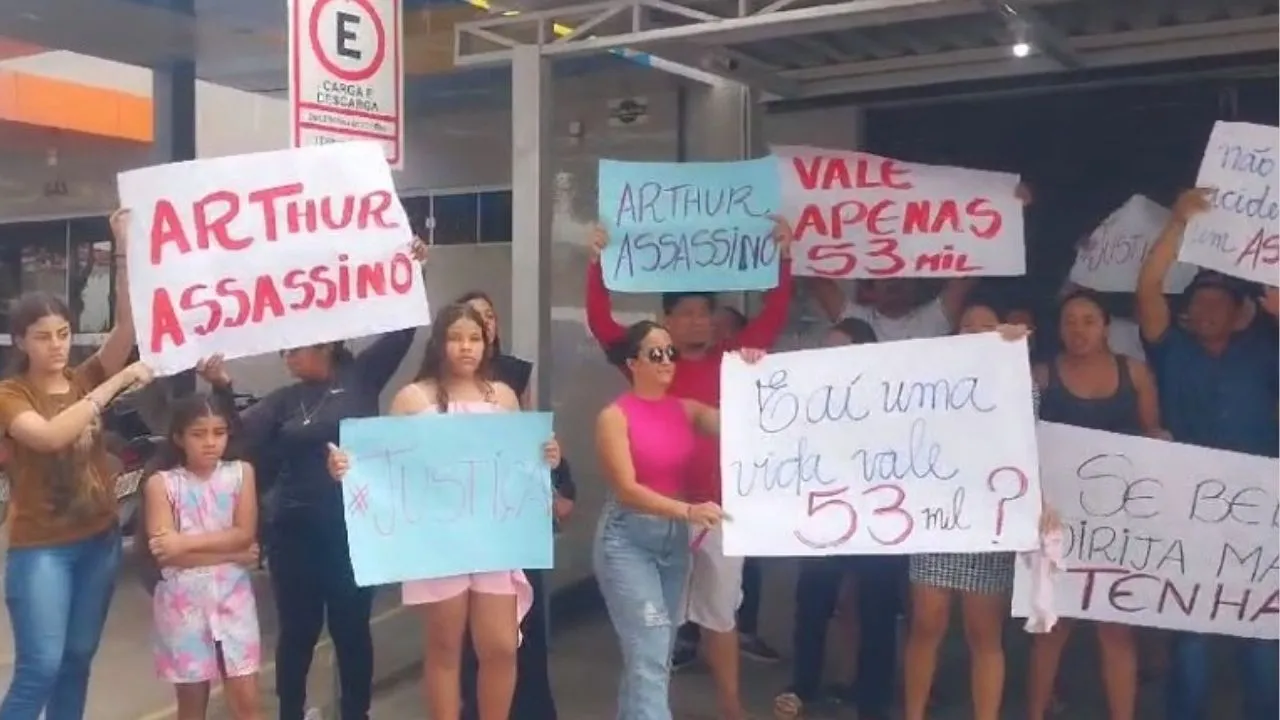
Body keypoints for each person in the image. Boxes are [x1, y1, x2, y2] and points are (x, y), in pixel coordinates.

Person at [196, 240, 428, 720]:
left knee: (351, 629)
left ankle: (355, 713)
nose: (287, 357)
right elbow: (238, 440)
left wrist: (411, 268)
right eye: (284, 350)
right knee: (297, 632)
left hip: (351, 530)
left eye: (294, 348)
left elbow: (403, 331)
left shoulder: (361, 377)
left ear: (324, 344)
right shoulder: (283, 400)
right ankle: (291, 712)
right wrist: (221, 388)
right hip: (294, 532)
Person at [587, 221, 793, 720]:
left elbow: (774, 315)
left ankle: (730, 708)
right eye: (687, 314)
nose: (698, 323)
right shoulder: (647, 374)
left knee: (719, 617)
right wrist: (597, 264)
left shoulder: (735, 362)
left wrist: (784, 260)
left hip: (721, 513)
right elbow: (603, 324)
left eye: (706, 313)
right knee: (654, 635)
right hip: (658, 521)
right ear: (666, 322)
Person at [327, 302, 562, 720]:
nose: (465, 347)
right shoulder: (413, 399)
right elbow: (382, 461)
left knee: (502, 645)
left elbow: (520, 463)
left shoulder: (504, 396)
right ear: (439, 343)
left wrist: (547, 455)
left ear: (486, 343)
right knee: (445, 647)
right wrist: (347, 465)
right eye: (455, 338)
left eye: (474, 338)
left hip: (493, 538)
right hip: (439, 541)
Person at [0, 209, 151, 720]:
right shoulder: (11, 394)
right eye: (44, 336)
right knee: (40, 665)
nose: (58, 345)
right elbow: (46, 437)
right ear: (21, 341)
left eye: (64, 333)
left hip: (98, 540)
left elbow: (128, 327)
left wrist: (124, 248)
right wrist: (115, 385)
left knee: (77, 659)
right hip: (41, 549)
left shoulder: (82, 377)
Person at [1135, 188, 1279, 720]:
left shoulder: (1265, 350)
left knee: (1263, 631)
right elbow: (1149, 288)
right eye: (1196, 304)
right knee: (1190, 630)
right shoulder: (1171, 349)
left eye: (1217, 303)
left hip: (1260, 511)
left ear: (1243, 311)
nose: (1204, 310)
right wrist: (1176, 225)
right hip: (1188, 509)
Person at [901, 301, 1045, 720]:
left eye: (988, 326)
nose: (978, 332)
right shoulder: (929, 379)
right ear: (955, 333)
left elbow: (1025, 448)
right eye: (969, 326)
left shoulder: (1021, 383)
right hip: (937, 513)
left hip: (989, 518)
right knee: (927, 622)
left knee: (984, 632)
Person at [1026, 289, 1165, 720]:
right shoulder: (1042, 375)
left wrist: (1162, 443)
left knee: (1116, 628)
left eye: (1088, 320)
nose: (1078, 329)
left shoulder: (1136, 373)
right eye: (1070, 320)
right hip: (1057, 521)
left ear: (1106, 326)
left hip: (1118, 523)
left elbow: (1153, 434)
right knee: (1051, 626)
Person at [593, 320, 739, 720]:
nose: (666, 360)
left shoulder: (686, 409)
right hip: (628, 540)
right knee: (652, 651)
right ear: (632, 362)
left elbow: (744, 422)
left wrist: (751, 368)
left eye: (670, 352)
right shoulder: (614, 417)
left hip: (673, 541)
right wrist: (689, 511)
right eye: (655, 353)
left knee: (653, 649)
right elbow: (626, 489)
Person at [454, 290, 576, 720]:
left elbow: (533, 439)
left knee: (525, 627)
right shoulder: (436, 387)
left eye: (490, 316)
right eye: (473, 318)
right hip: (468, 529)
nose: (484, 325)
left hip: (518, 520)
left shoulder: (513, 377)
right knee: (475, 636)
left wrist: (560, 481)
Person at [773, 317, 881, 719]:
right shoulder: (812, 394)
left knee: (874, 609)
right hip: (824, 514)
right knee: (813, 601)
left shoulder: (894, 394)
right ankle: (804, 682)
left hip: (878, 518)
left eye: (840, 348)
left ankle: (871, 695)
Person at [144, 394, 262, 720]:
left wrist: (183, 543)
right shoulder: (162, 484)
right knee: (192, 703)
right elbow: (167, 557)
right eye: (199, 434)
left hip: (233, 599)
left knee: (247, 699)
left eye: (219, 432)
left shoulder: (241, 474)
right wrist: (234, 553)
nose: (210, 442)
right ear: (179, 438)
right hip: (184, 604)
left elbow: (245, 533)